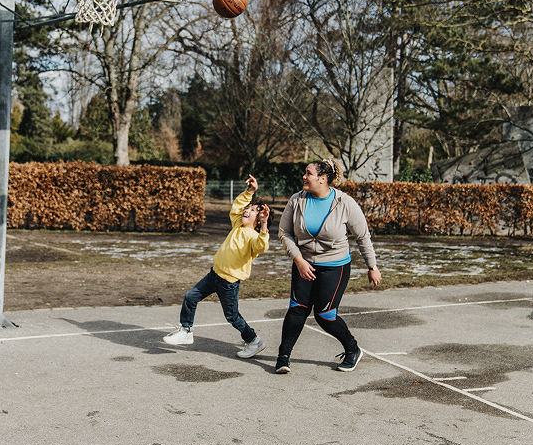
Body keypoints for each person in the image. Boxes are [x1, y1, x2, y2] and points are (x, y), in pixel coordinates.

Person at [275, 159, 381, 374]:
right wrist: (299, 260)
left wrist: (372, 266)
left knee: (325, 315)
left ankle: (352, 349)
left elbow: (362, 237)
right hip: (303, 264)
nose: (304, 177)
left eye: (308, 173)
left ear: (322, 179)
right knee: (297, 310)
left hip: (335, 266)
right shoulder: (297, 200)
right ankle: (283, 357)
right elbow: (284, 233)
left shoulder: (345, 203)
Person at [163, 175, 273, 359]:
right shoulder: (238, 225)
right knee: (190, 296)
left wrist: (263, 225)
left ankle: (254, 341)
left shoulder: (254, 236)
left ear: (258, 218)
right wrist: (250, 192)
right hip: (214, 275)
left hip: (228, 282)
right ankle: (186, 331)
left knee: (232, 317)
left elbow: (263, 247)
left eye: (253, 210)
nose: (247, 210)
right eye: (248, 208)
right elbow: (237, 206)